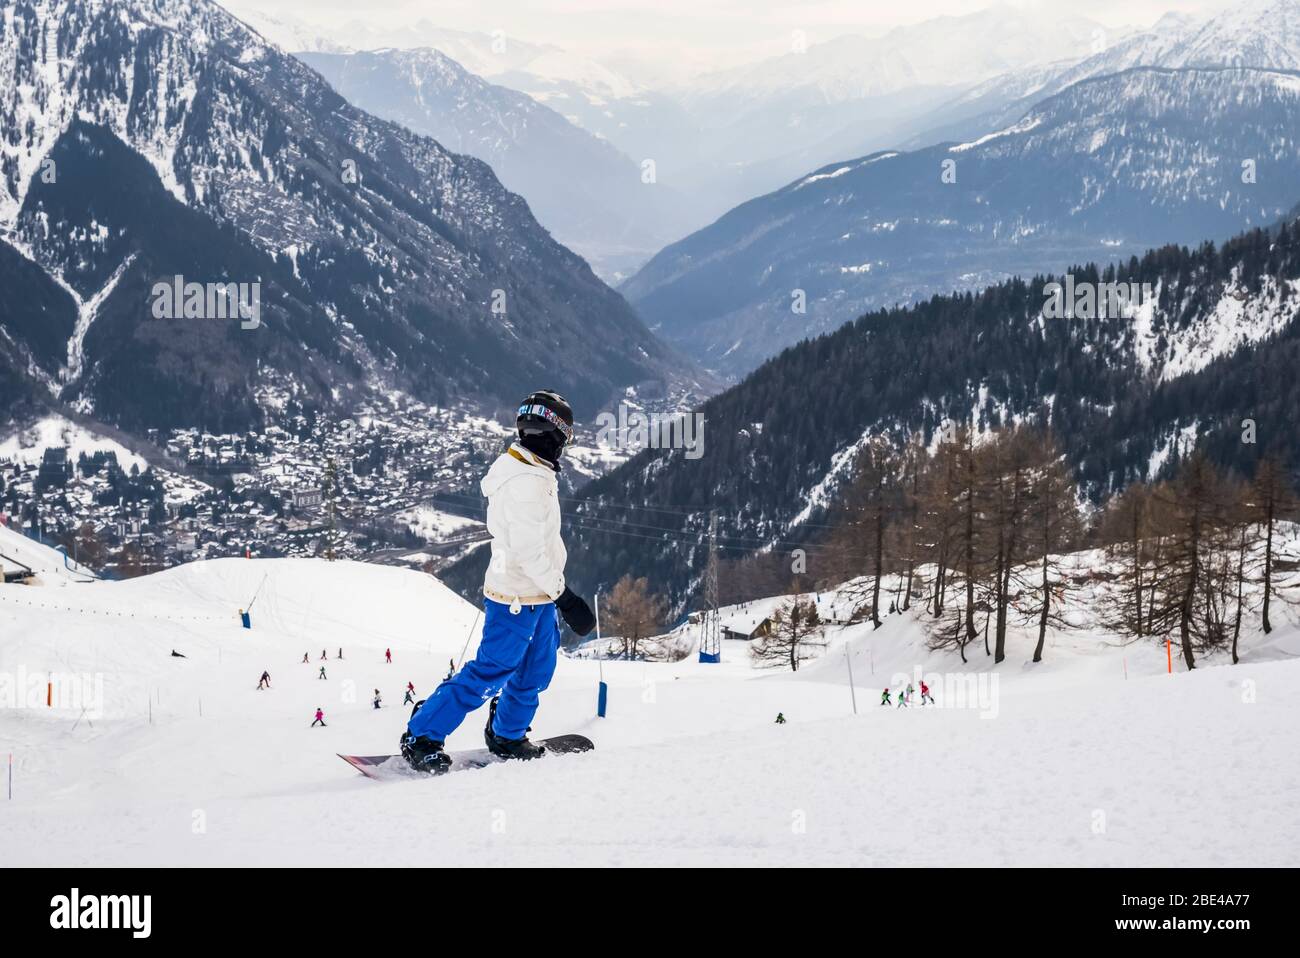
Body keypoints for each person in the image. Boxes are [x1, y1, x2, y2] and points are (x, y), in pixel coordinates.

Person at [400, 390, 596, 774]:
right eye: (566, 438)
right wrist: (567, 599)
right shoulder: (524, 483)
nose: (565, 447)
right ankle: (422, 735)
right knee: (491, 671)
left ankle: (508, 733)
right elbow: (527, 551)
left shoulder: (533, 470)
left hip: (538, 594)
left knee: (535, 671)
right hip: (515, 597)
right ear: (554, 434)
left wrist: (554, 594)